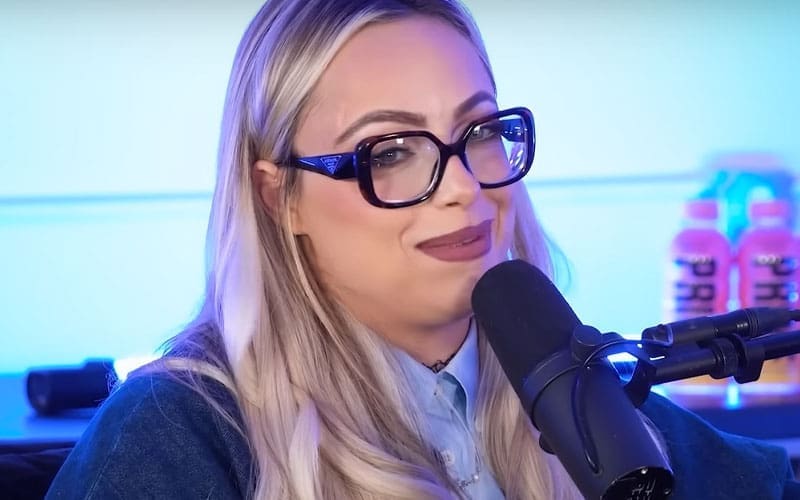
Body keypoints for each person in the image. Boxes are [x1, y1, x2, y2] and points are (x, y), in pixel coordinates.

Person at [47, 1, 796, 499]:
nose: (463, 188)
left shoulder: (595, 410)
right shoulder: (173, 437)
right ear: (280, 197)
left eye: (480, 131)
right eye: (391, 151)